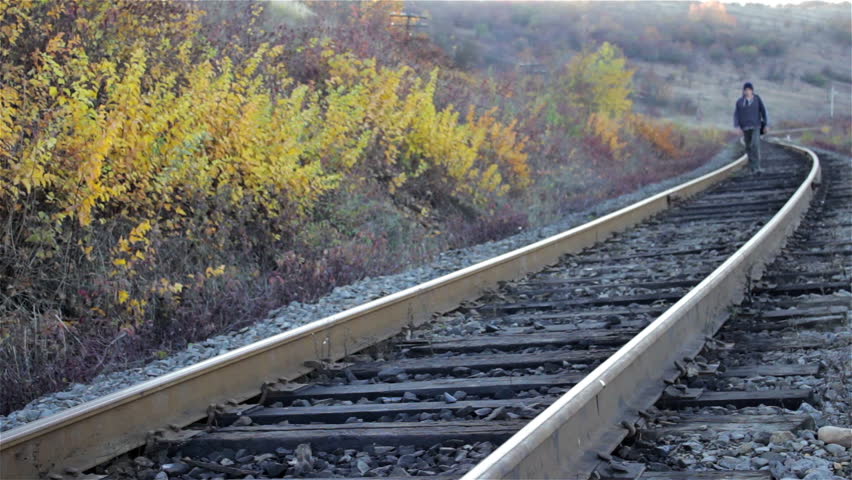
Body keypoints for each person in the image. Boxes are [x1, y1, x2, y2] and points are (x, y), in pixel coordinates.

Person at [733, 82, 768, 173]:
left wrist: (766, 124)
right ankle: (752, 167)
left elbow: (763, 111)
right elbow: (736, 114)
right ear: (743, 91)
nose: (747, 91)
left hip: (756, 126)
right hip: (745, 127)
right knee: (748, 147)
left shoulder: (757, 99)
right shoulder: (740, 102)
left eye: (749, 90)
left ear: (752, 90)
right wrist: (737, 126)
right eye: (745, 90)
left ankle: (757, 167)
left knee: (755, 145)